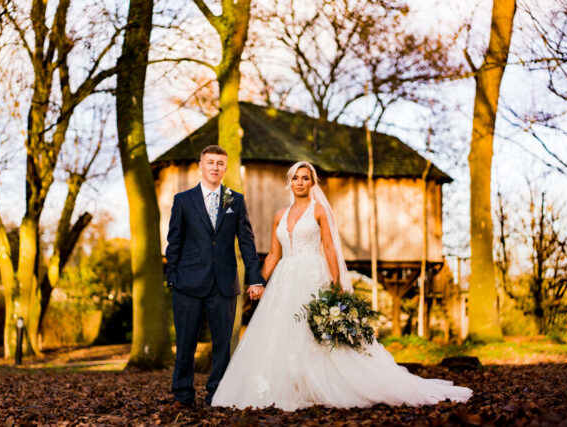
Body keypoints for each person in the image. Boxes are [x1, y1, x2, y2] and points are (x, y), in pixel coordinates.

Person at [212, 161, 472, 411]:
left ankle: (327, 385)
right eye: (295, 178)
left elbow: (329, 247)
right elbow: (272, 254)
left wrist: (335, 282)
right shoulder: (279, 215)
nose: (300, 182)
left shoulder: (319, 210)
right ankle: (288, 385)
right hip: (284, 278)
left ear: (312, 183)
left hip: (312, 275)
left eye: (305, 178)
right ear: (289, 182)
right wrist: (258, 281)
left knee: (313, 332)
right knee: (279, 332)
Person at [165, 145, 265, 408]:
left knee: (223, 345)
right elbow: (173, 242)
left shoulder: (235, 200)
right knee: (186, 343)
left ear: (225, 168)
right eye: (210, 162)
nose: (214, 167)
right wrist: (172, 277)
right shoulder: (183, 200)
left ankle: (217, 394)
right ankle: (182, 395)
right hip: (187, 283)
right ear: (200, 164)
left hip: (224, 283)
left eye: (220, 163)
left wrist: (255, 278)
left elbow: (247, 242)